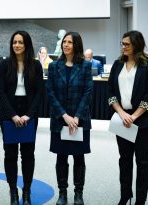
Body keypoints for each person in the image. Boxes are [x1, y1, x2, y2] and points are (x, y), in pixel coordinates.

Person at [107, 30, 148, 205]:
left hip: (142, 122)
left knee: (142, 162)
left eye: (127, 44)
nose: (123, 47)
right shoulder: (117, 64)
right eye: (122, 44)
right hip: (122, 120)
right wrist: (121, 113)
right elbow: (110, 91)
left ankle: (140, 200)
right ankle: (125, 195)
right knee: (125, 160)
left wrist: (134, 116)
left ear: (137, 44)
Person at [0, 30, 44, 205]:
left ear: (27, 45)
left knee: (28, 154)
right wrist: (13, 115)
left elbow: (40, 93)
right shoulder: (4, 65)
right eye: (14, 42)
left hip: (29, 114)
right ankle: (13, 192)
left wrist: (28, 115)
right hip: (8, 113)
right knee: (10, 154)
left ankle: (26, 191)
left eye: (20, 42)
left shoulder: (36, 65)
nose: (17, 45)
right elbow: (1, 92)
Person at [46, 31, 93, 205]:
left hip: (79, 120)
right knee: (61, 157)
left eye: (70, 42)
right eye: (64, 42)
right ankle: (62, 193)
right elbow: (50, 92)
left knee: (79, 157)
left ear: (76, 45)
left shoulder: (86, 66)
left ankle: (78, 193)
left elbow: (88, 93)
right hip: (60, 119)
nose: (65, 45)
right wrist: (65, 116)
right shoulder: (53, 66)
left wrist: (76, 116)